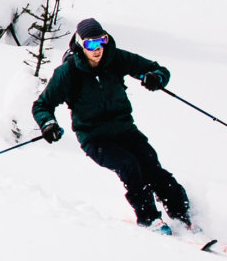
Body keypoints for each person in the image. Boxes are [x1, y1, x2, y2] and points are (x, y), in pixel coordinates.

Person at [33, 18, 190, 228]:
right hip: (94, 137)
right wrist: (48, 124)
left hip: (125, 129)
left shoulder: (114, 58)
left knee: (150, 164)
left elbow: (159, 70)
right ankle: (150, 219)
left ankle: (183, 214)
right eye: (91, 44)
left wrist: (155, 78)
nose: (97, 49)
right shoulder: (68, 73)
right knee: (129, 165)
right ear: (80, 44)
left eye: (101, 41)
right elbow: (42, 105)